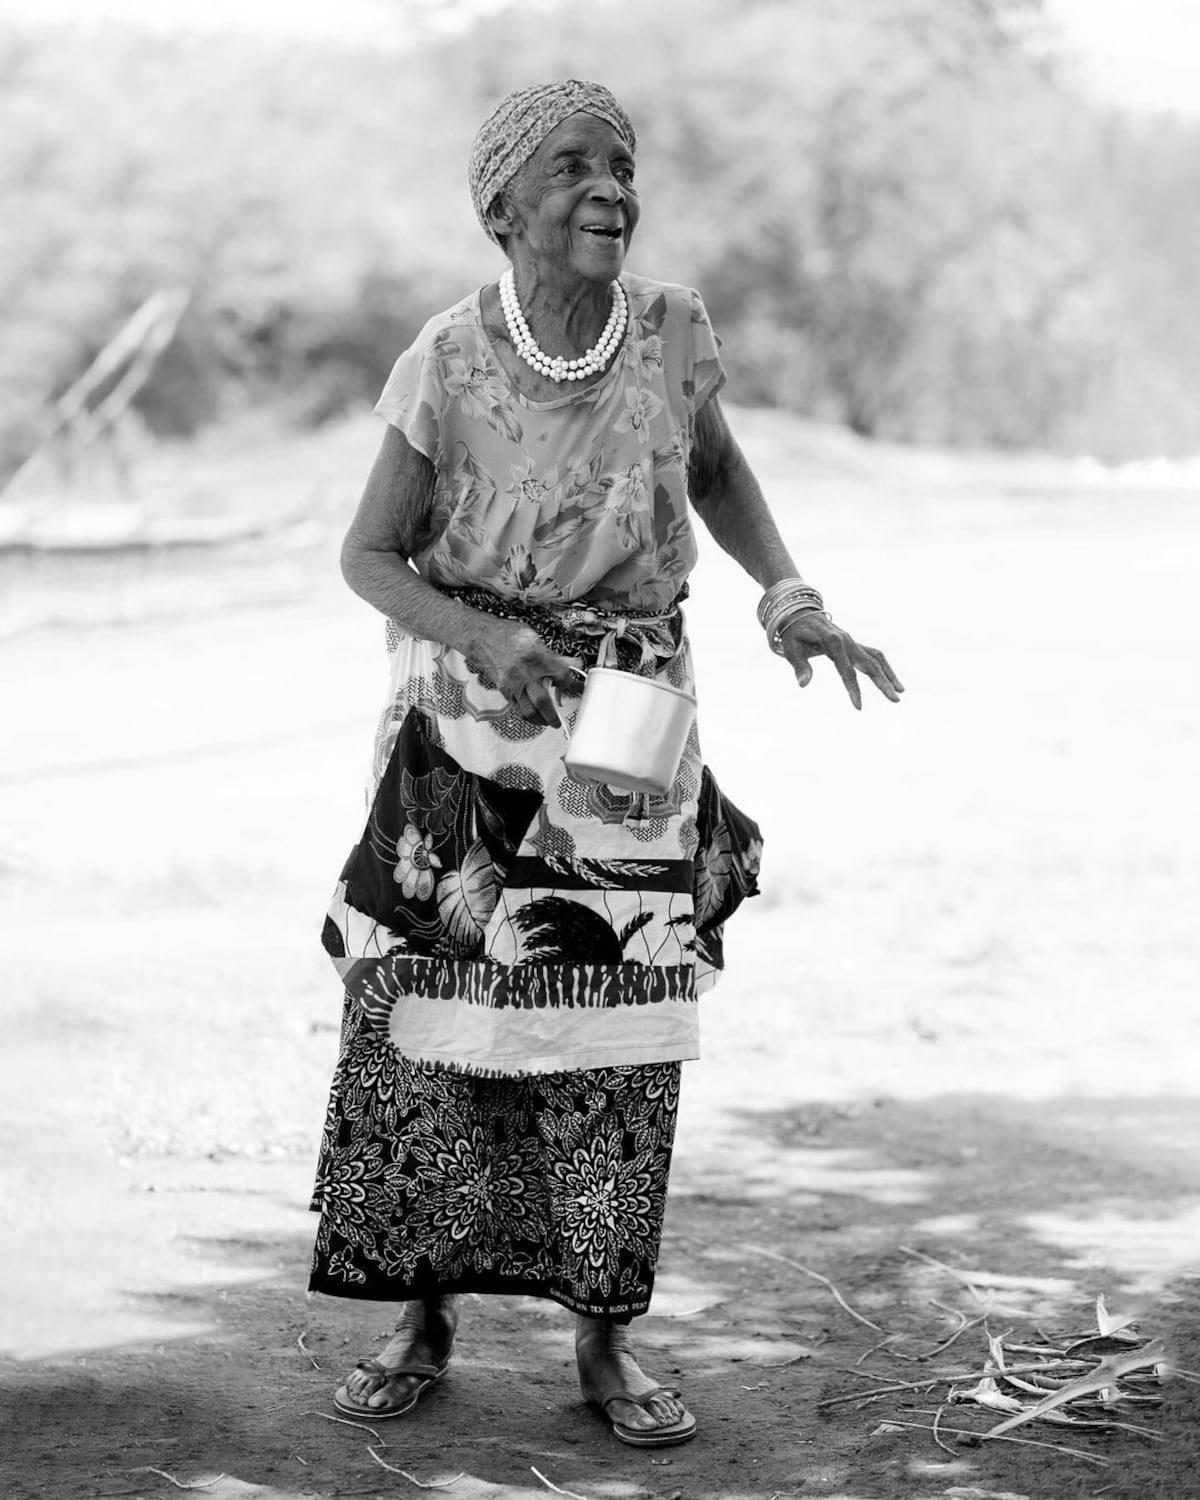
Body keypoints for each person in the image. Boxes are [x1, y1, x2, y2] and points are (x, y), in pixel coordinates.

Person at [308, 79, 903, 1449]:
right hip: (463, 729)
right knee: (437, 1019)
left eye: (622, 165)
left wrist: (788, 594)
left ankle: (602, 1344)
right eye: (574, 166)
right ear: (501, 206)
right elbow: (368, 556)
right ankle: (424, 1316)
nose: (609, 189)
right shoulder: (445, 359)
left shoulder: (672, 330)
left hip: (630, 717)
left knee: (615, 1025)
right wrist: (486, 639)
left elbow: (716, 473)